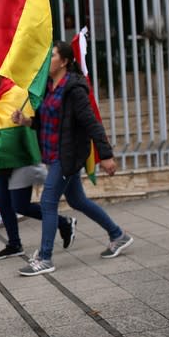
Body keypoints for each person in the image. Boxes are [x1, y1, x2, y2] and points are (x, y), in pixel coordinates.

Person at [11, 40, 133, 276]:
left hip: (66, 156)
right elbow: (46, 119)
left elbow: (91, 123)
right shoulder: (48, 85)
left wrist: (106, 155)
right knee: (77, 200)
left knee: (48, 202)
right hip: (52, 153)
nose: (48, 59)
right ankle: (118, 235)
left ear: (65, 62)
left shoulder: (74, 89)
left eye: (53, 55)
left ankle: (45, 258)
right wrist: (26, 120)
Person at [0, 74, 76, 260]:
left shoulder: (17, 92)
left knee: (20, 205)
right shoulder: (0, 93)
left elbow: (23, 126)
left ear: (1, 71)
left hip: (20, 158)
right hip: (3, 161)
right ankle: (14, 244)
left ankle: (64, 223)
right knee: (2, 200)